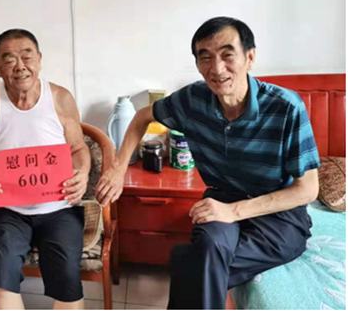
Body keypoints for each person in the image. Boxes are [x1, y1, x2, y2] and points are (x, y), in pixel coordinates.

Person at [96, 17, 320, 309]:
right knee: (209, 248)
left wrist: (234, 211)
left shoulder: (286, 107)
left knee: (197, 263)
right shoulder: (193, 100)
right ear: (198, 65)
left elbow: (307, 190)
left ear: (250, 57)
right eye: (206, 58)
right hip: (221, 198)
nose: (217, 68)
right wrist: (118, 169)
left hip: (278, 214)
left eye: (228, 54)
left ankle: (183, 262)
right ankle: (186, 262)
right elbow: (142, 117)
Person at [0, 29, 90, 310]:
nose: (20, 66)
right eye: (9, 60)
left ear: (39, 60)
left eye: (27, 56)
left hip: (59, 207)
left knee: (67, 270)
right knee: (3, 267)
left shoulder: (60, 97)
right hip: (6, 209)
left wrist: (82, 174)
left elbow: (78, 148)